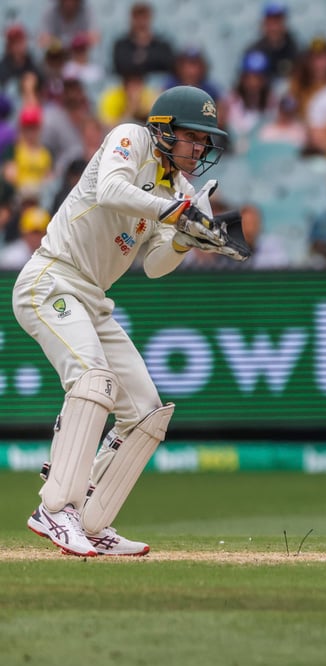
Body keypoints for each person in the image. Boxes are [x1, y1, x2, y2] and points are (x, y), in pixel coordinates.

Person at [11, 85, 248, 557]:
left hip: (94, 298)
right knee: (93, 379)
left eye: (205, 141)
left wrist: (185, 239)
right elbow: (109, 190)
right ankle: (56, 508)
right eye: (193, 137)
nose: (199, 148)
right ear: (163, 130)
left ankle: (92, 521)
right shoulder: (130, 139)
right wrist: (177, 212)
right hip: (51, 279)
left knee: (143, 411)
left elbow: (156, 264)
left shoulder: (178, 189)